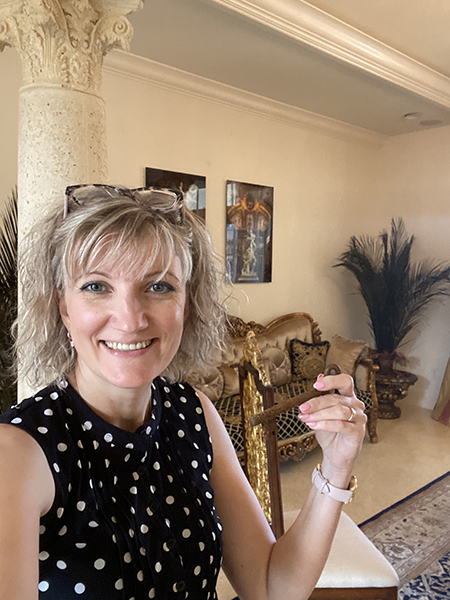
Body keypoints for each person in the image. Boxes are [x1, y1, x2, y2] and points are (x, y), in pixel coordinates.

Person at [0, 184, 366, 600]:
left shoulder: (194, 413)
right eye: (96, 287)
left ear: (187, 304)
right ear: (63, 308)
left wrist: (335, 468)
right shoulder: (18, 453)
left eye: (158, 286)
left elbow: (270, 587)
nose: (130, 319)